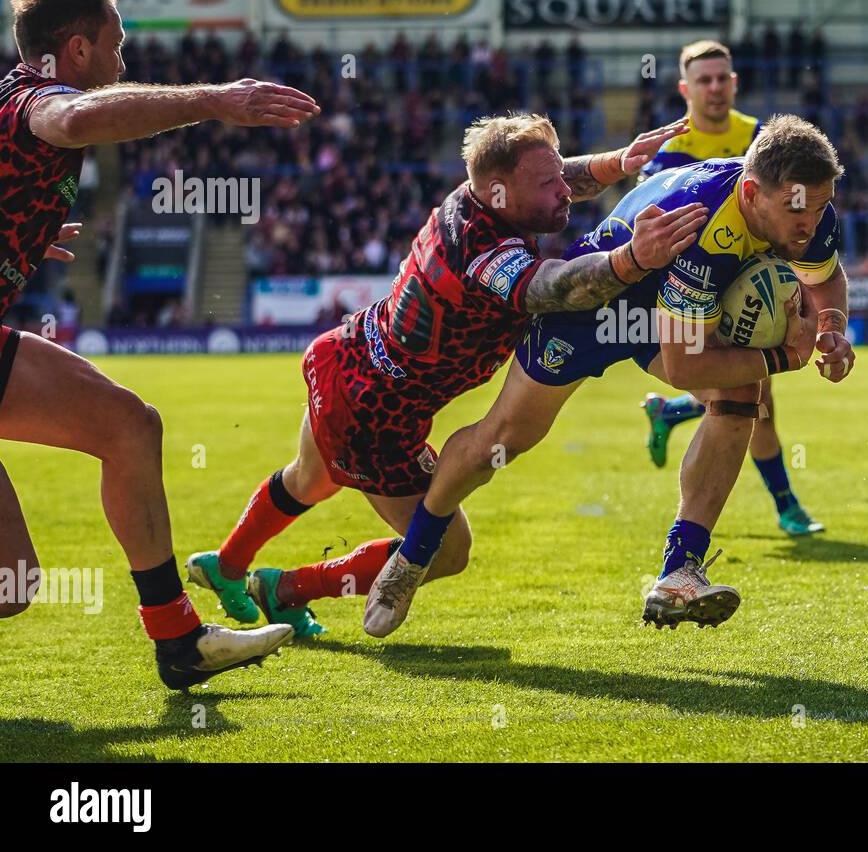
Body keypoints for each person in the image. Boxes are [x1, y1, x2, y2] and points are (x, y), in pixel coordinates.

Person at [186, 114, 702, 637]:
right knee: (449, 549)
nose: (564, 191)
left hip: (346, 354)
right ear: (500, 192)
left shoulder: (473, 195)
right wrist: (632, 259)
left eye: (559, 177)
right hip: (375, 414)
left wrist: (615, 163)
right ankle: (285, 588)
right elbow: (553, 288)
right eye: (549, 184)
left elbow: (556, 177)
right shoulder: (485, 253)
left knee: (310, 478)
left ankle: (226, 566)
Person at [363, 115, 855, 637]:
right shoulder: (704, 227)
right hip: (598, 305)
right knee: (501, 440)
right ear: (753, 193)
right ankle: (411, 558)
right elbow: (688, 363)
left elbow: (825, 277)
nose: (810, 222)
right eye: (798, 209)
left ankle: (677, 572)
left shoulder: (806, 204)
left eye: (821, 206)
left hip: (672, 305)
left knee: (738, 396)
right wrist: (785, 357)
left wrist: (832, 329)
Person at [0, 0, 315, 688]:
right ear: (76, 50)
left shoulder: (11, 95)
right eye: (115, 42)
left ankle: (178, 641)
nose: (124, 59)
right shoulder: (44, 100)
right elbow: (73, 121)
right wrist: (216, 100)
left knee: (127, 431)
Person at [638, 40, 825, 536]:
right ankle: (787, 506)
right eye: (704, 80)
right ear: (686, 89)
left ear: (735, 82)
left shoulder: (760, 137)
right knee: (749, 394)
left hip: (749, 276)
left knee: (753, 394)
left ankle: (673, 413)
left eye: (723, 78)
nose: (715, 87)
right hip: (691, 285)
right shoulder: (669, 148)